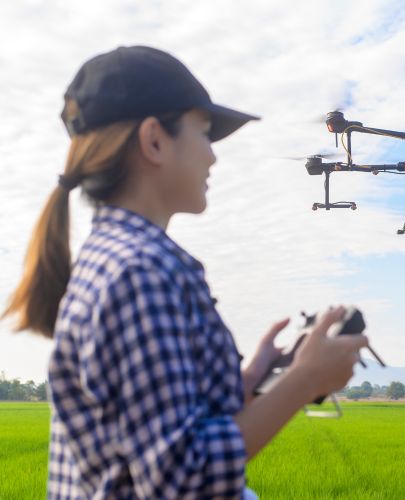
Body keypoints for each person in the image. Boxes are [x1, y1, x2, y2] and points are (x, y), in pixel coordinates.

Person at [1, 46, 369, 499]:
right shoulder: (140, 273)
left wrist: (251, 381)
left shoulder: (119, 259)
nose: (213, 157)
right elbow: (179, 476)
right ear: (154, 140)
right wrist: (304, 381)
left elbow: (150, 423)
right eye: (204, 132)